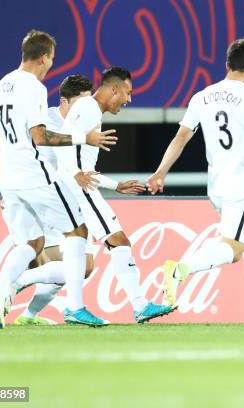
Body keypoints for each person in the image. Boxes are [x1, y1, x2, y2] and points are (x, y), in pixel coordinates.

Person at [146, 37, 244, 326]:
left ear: (227, 65)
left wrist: (160, 172)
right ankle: (180, 269)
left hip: (216, 186)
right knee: (236, 247)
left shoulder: (202, 96)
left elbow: (181, 137)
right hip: (241, 186)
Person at [0, 29, 116, 329]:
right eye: (51, 60)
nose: (50, 66)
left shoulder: (1, 84)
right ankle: (75, 307)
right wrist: (86, 137)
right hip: (35, 176)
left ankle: (3, 286)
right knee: (78, 233)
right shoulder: (33, 87)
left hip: (11, 181)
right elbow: (41, 137)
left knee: (33, 241)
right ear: (44, 57)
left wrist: (13, 150)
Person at [53, 67, 175, 323]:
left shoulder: (91, 110)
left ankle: (74, 307)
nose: (129, 100)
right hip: (78, 188)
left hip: (74, 184)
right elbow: (62, 141)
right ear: (114, 89)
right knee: (118, 240)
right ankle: (140, 306)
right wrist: (75, 174)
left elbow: (83, 165)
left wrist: (115, 185)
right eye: (128, 93)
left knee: (78, 240)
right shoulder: (87, 107)